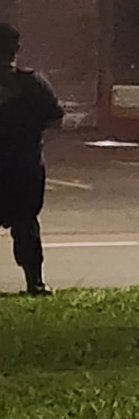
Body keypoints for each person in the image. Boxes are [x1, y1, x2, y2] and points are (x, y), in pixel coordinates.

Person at [0, 22, 64, 295]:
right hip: (24, 165)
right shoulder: (32, 82)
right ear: (15, 49)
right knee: (26, 223)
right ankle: (34, 282)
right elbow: (55, 117)